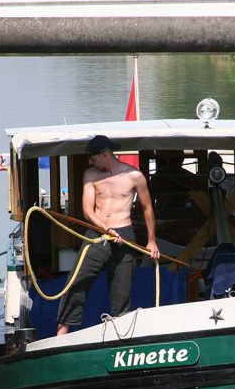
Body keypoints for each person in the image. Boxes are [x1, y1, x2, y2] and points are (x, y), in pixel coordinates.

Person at [56, 135, 160, 335]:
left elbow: (147, 209)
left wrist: (152, 241)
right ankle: (61, 334)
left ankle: (118, 336)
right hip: (97, 233)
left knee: (122, 291)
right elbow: (88, 211)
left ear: (105, 154)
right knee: (76, 282)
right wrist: (106, 229)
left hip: (125, 236)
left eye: (93, 158)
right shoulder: (90, 175)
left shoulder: (134, 176)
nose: (90, 162)